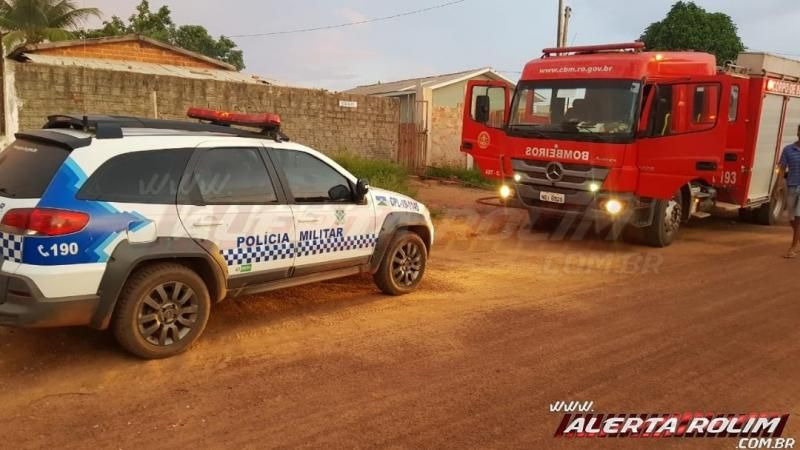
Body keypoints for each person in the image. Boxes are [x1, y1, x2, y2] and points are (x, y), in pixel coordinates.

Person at [779, 124, 800, 258]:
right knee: (790, 218)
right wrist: (780, 184)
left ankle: (793, 247)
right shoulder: (788, 150)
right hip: (792, 187)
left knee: (798, 218)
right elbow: (782, 168)